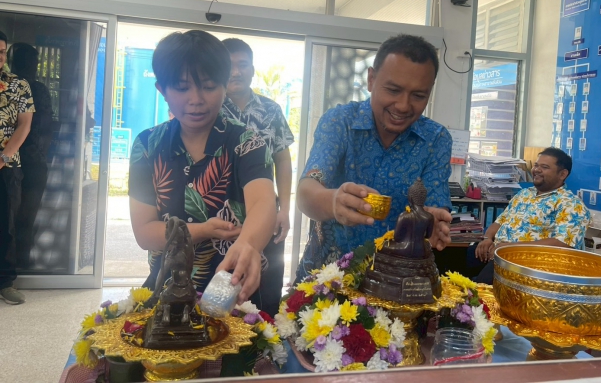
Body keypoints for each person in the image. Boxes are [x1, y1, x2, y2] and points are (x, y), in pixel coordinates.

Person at [128, 30, 276, 303]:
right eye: (182, 88)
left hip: (234, 294)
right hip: (167, 294)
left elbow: (263, 202)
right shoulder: (147, 145)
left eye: (208, 86)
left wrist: (248, 243)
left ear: (224, 85)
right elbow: (145, 232)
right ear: (162, 90)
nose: (196, 99)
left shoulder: (247, 143)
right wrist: (204, 230)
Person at [295, 34, 452, 281]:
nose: (403, 105)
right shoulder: (340, 122)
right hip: (328, 279)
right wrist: (334, 202)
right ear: (371, 79)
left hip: (398, 282)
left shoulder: (436, 139)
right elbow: (306, 192)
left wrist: (432, 223)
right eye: (393, 90)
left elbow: (434, 206)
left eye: (418, 95)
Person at [220, 38, 294, 317]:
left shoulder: (271, 110)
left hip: (265, 213)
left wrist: (284, 209)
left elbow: (283, 160)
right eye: (229, 65)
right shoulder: (210, 109)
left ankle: (266, 337)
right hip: (223, 215)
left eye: (243, 65)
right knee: (223, 287)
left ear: (252, 69)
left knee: (268, 287)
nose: (236, 72)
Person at [471, 147, 591, 284]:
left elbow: (563, 244)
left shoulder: (571, 204)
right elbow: (500, 221)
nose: (537, 170)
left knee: (477, 287)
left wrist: (510, 248)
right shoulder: (524, 193)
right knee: (457, 260)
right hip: (497, 251)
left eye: (544, 167)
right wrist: (487, 238)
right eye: (536, 165)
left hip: (525, 263)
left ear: (562, 174)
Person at [9, 43, 53, 269]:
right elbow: (47, 126)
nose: (34, 68)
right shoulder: (31, 89)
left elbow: (46, 126)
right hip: (22, 162)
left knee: (16, 218)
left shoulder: (15, 88)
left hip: (22, 162)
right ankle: (20, 264)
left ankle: (16, 265)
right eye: (32, 63)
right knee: (24, 218)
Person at [0, 32, 35, 305]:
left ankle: (5, 282)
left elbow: (25, 124)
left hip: (7, 165)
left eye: (2, 52)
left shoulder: (18, 85)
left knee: (6, 226)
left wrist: (4, 155)